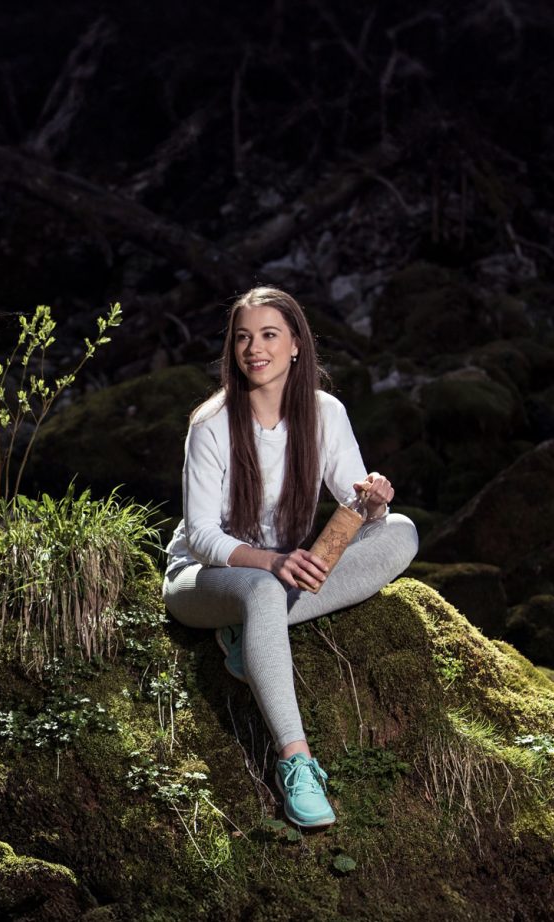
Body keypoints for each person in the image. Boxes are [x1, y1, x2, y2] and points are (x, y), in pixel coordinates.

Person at [162, 286, 419, 829]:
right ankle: (296, 763)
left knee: (401, 533)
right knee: (259, 590)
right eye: (244, 338)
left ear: (296, 344)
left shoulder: (325, 413)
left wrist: (372, 502)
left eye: (270, 335)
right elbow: (203, 536)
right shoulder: (210, 425)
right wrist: (270, 563)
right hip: (204, 577)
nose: (256, 348)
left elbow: (354, 504)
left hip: (284, 576)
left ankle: (255, 633)